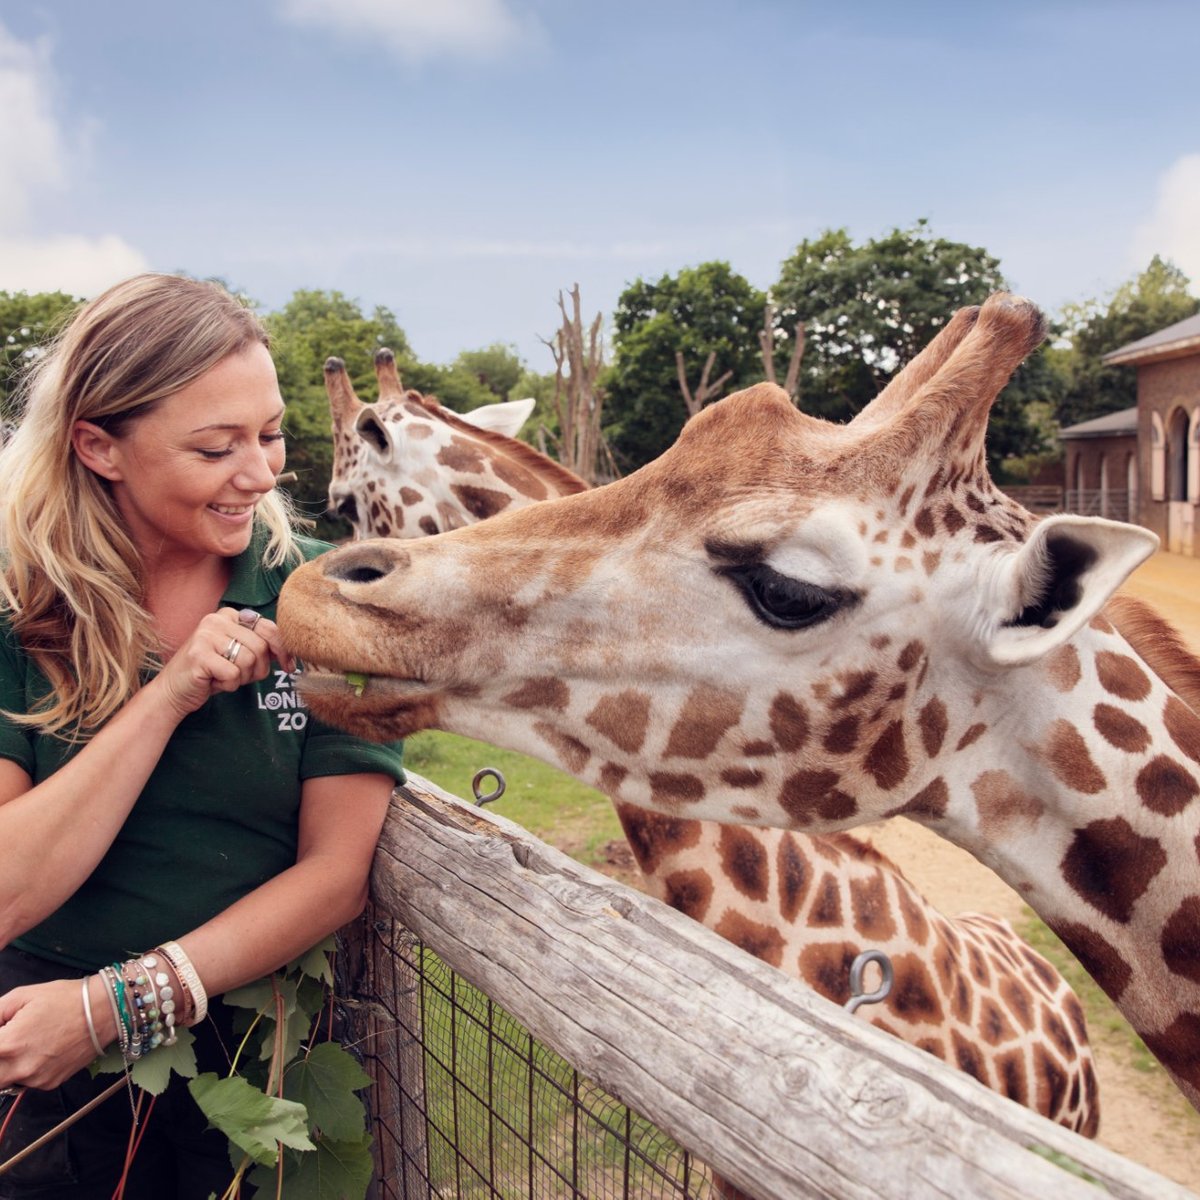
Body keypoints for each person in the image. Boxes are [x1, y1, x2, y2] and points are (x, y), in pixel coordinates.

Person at [0, 274, 405, 1198]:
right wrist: (168, 693)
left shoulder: (325, 598)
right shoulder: (19, 611)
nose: (262, 475)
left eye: (270, 434)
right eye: (216, 447)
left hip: (259, 1050)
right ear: (99, 445)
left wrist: (120, 1007)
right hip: (38, 1046)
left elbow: (336, 872)